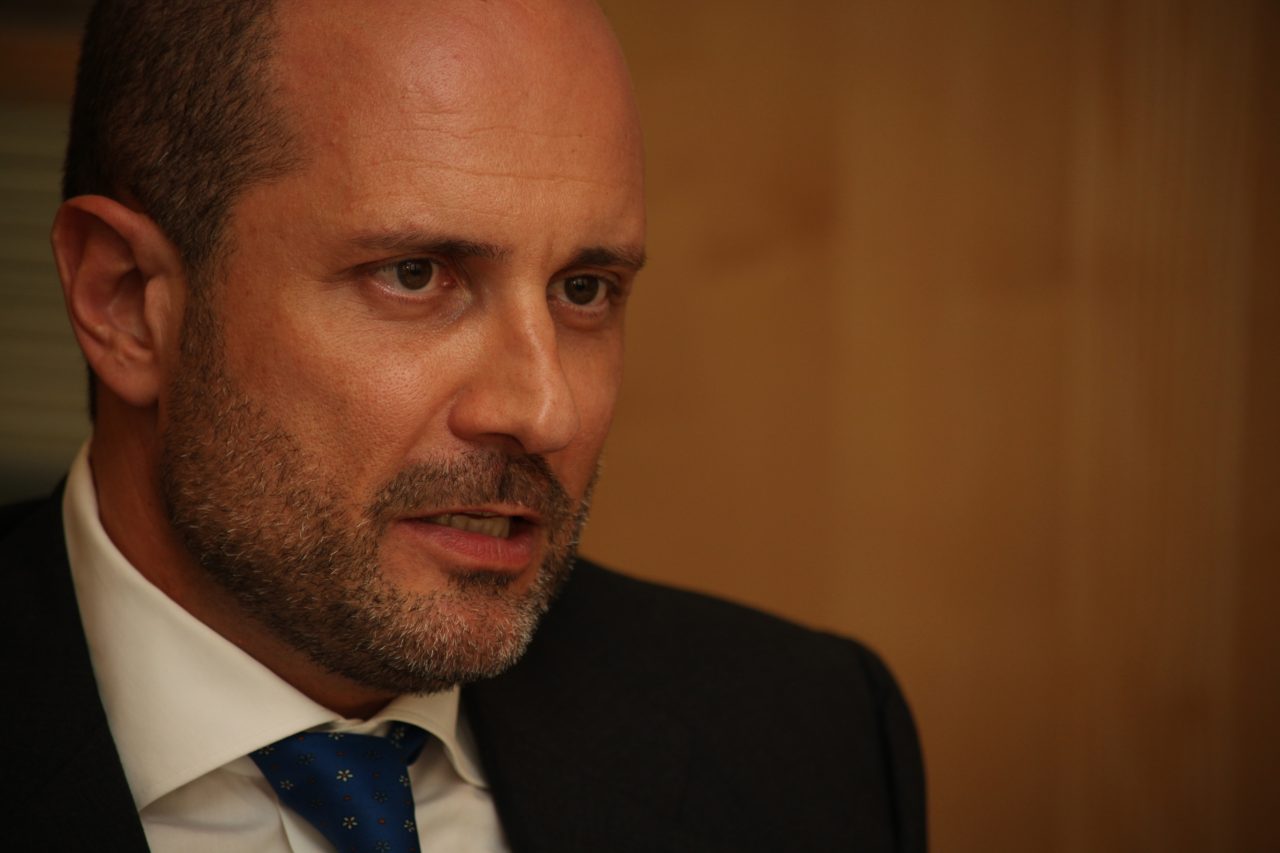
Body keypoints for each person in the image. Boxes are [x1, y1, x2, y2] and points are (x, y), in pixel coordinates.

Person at [0, 0, 925, 850]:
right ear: (125, 302)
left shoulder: (805, 741)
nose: (544, 410)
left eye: (585, 289)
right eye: (415, 275)